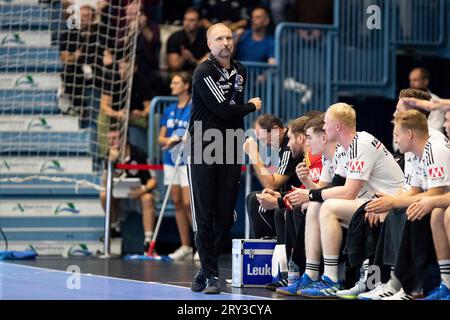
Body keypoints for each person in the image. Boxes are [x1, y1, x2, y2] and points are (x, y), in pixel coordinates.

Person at [285, 103, 404, 298]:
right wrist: (308, 187)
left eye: (326, 124)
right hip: (369, 202)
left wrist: (310, 194)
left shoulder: (361, 143)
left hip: (389, 204)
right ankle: (312, 274)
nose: (324, 127)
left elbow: (348, 192)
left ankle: (332, 279)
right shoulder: (344, 149)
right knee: (316, 205)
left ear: (337, 126)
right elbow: (333, 189)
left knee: (327, 206)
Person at [187, 23, 262, 294]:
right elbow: (224, 110)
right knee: (204, 214)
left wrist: (239, 108)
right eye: (219, 38)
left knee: (226, 216)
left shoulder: (240, 70)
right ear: (209, 44)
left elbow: (232, 106)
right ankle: (211, 275)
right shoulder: (204, 71)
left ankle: (204, 270)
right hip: (204, 144)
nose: (225, 42)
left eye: (229, 37)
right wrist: (251, 106)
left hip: (230, 144)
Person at [361, 110, 450, 300]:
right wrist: (391, 202)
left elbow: (436, 194)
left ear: (409, 134)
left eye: (396, 135)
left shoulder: (434, 148)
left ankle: (409, 287)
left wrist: (393, 202)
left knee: (414, 212)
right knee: (396, 209)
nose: (395, 140)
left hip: (442, 203)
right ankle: (388, 282)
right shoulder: (416, 153)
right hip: (437, 202)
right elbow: (414, 191)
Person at [243, 114, 303, 239]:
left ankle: (265, 251)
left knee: (255, 200)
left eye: (266, 140)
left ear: (276, 130)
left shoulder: (288, 148)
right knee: (254, 198)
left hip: (297, 196)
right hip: (289, 194)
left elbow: (271, 184)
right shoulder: (282, 147)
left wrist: (254, 155)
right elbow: (270, 183)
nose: (265, 145)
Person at [100, 128, 157, 254]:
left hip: (139, 193)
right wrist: (110, 162)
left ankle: (148, 240)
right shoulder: (108, 155)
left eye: (114, 138)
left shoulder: (139, 153)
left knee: (148, 198)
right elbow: (104, 183)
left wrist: (143, 190)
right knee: (104, 195)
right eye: (109, 138)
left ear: (123, 139)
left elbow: (153, 180)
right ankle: (115, 227)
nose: (111, 142)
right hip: (118, 195)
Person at [158, 72, 196, 261]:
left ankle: (200, 246)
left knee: (189, 203)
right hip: (170, 160)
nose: (172, 85)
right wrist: (171, 140)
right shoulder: (169, 109)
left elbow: (194, 133)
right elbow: (161, 138)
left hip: (187, 160)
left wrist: (178, 139)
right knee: (177, 203)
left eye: (176, 82)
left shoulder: (193, 107)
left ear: (186, 85)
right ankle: (185, 246)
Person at [166, 7, 210, 73]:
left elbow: (208, 63)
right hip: (180, 73)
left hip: (201, 73)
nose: (187, 23)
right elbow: (174, 66)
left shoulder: (206, 37)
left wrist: (192, 60)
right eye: (185, 19)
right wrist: (183, 58)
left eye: (191, 20)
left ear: (199, 22)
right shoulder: (175, 37)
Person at [409, 67, 444, 132]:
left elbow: (437, 129)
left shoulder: (436, 101)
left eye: (415, 80)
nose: (411, 84)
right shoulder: (406, 101)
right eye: (410, 80)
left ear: (425, 81)